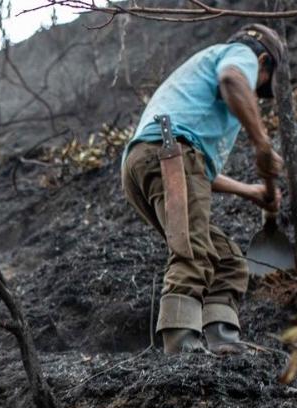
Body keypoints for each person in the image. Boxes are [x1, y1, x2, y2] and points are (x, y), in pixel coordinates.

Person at [122, 24, 287, 355]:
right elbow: (232, 80)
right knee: (192, 250)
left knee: (227, 259)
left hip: (149, 162)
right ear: (264, 62)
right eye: (261, 87)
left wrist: (250, 191)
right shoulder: (239, 56)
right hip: (170, 153)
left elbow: (198, 173)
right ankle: (182, 346)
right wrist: (262, 143)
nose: (256, 93)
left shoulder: (200, 79)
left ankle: (222, 341)